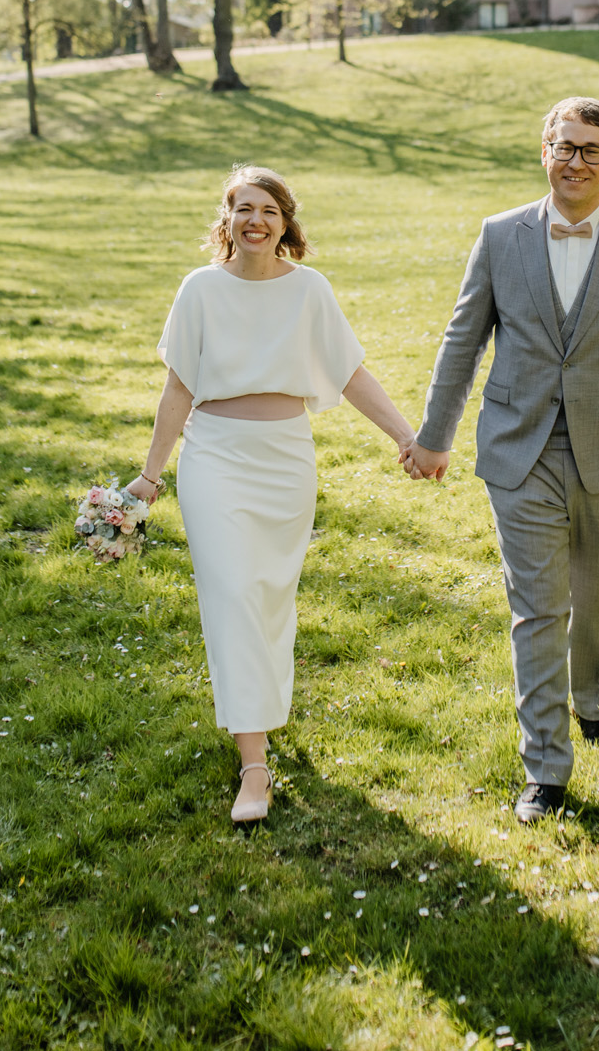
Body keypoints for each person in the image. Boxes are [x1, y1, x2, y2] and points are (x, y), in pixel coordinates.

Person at [405, 97, 599, 823]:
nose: (576, 161)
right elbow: (462, 339)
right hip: (520, 446)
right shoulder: (500, 236)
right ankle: (547, 768)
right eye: (564, 147)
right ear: (545, 151)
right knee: (538, 606)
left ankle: (592, 700)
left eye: (591, 150)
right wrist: (436, 435)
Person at [129, 166, 416, 827]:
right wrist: (151, 476)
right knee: (231, 596)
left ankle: (260, 709)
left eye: (268, 210)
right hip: (215, 458)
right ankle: (253, 766)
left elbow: (348, 373)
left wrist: (406, 435)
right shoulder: (199, 290)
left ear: (286, 224)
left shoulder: (309, 291)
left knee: (267, 598)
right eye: (242, 209)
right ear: (225, 222)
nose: (255, 221)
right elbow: (178, 389)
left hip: (285, 460)